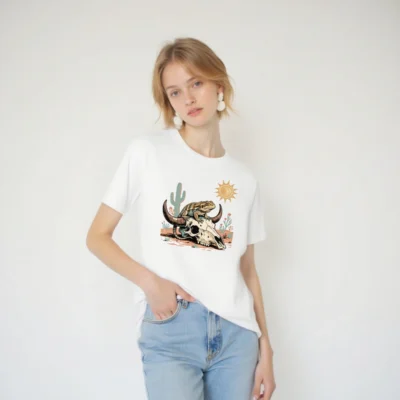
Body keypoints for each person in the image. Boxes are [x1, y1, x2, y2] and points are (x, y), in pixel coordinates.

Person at [86, 37, 276, 400]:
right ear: (168, 101)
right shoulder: (148, 152)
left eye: (196, 83)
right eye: (175, 92)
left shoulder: (245, 179)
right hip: (171, 327)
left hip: (237, 336)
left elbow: (249, 271)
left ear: (219, 85)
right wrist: (150, 284)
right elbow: (97, 236)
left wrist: (266, 347)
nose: (188, 99)